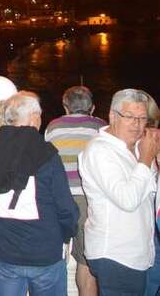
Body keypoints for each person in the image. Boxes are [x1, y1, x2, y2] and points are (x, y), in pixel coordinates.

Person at [0, 91, 78, 295]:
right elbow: (66, 209)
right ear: (34, 118)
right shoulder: (47, 154)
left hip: (5, 253)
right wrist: (65, 235)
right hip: (44, 253)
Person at [79, 89, 159, 295]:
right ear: (113, 116)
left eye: (142, 118)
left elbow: (150, 194)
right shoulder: (99, 150)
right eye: (130, 116)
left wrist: (152, 158)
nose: (137, 124)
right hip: (115, 254)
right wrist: (146, 159)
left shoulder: (135, 148)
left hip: (138, 253)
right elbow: (128, 199)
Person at [44, 85, 106, 296]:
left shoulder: (53, 127)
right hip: (88, 200)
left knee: (54, 257)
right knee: (85, 260)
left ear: (65, 107)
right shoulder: (101, 128)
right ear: (93, 107)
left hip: (56, 198)